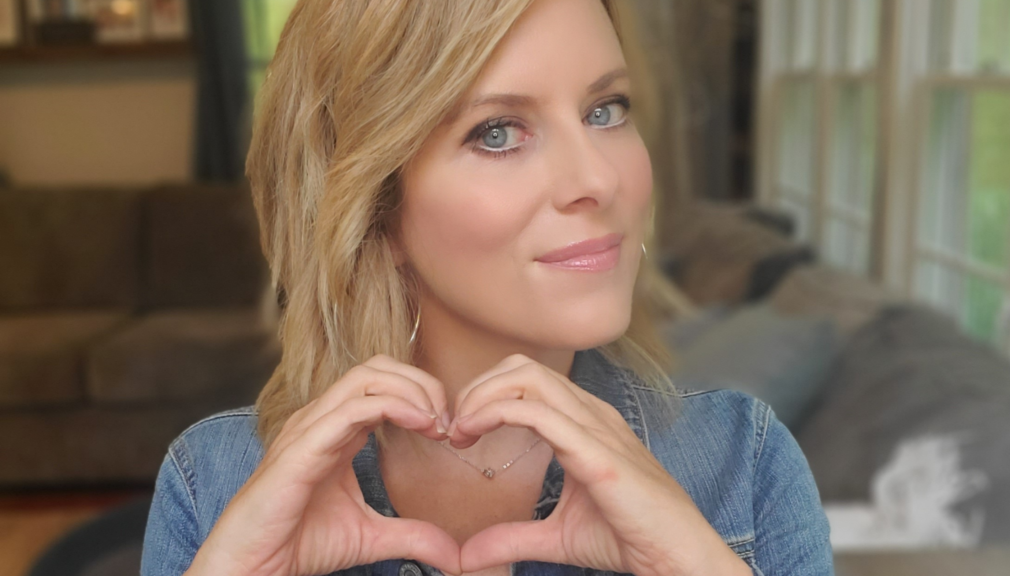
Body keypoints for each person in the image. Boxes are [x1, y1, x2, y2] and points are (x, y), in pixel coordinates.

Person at [141, 0, 834, 575]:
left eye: (605, 109)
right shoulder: (212, 482)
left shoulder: (745, 463)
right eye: (498, 131)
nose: (598, 179)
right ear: (373, 208)